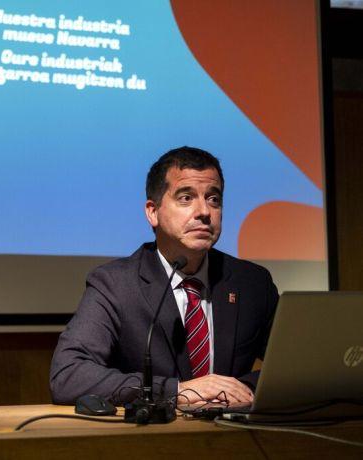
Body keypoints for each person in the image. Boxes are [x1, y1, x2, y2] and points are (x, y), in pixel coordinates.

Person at [50, 146, 278, 406]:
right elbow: (68, 375)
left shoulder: (252, 283)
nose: (204, 211)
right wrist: (175, 391)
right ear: (152, 212)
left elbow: (296, 364)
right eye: (186, 198)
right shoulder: (115, 284)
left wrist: (242, 389)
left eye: (214, 198)